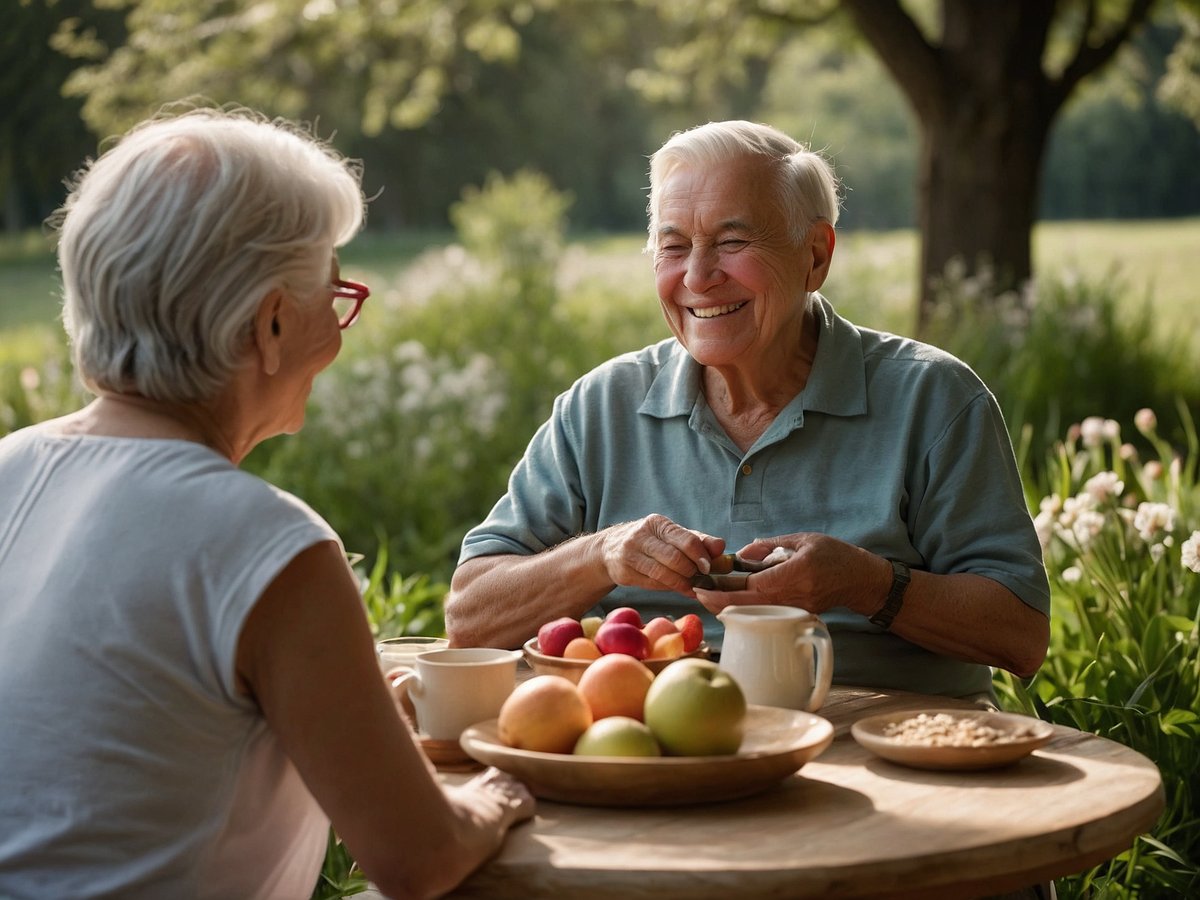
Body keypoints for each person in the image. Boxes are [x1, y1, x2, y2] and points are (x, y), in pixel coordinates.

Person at [0, 106, 532, 900]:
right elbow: (421, 858)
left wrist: (342, 716)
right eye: (335, 289)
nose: (341, 324)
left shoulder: (11, 465)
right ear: (272, 323)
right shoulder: (270, 546)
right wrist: (493, 799)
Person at [446, 120, 1050, 700]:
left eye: (732, 243)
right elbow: (469, 619)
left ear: (815, 255)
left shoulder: (933, 398)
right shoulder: (600, 407)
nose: (699, 277)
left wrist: (867, 584)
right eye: (674, 246)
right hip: (661, 747)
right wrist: (601, 555)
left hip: (891, 748)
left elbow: (1020, 635)